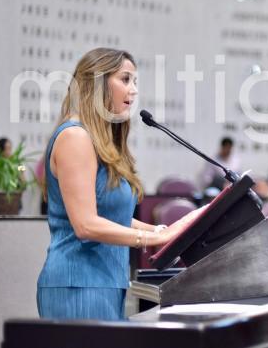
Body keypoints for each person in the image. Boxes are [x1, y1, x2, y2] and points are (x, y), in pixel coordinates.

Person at [37, 48, 204, 321]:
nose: (134, 90)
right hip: (78, 284)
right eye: (125, 79)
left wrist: (164, 231)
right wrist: (153, 238)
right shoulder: (75, 137)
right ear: (98, 82)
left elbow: (113, 215)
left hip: (105, 282)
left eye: (135, 82)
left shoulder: (96, 139)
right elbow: (86, 225)